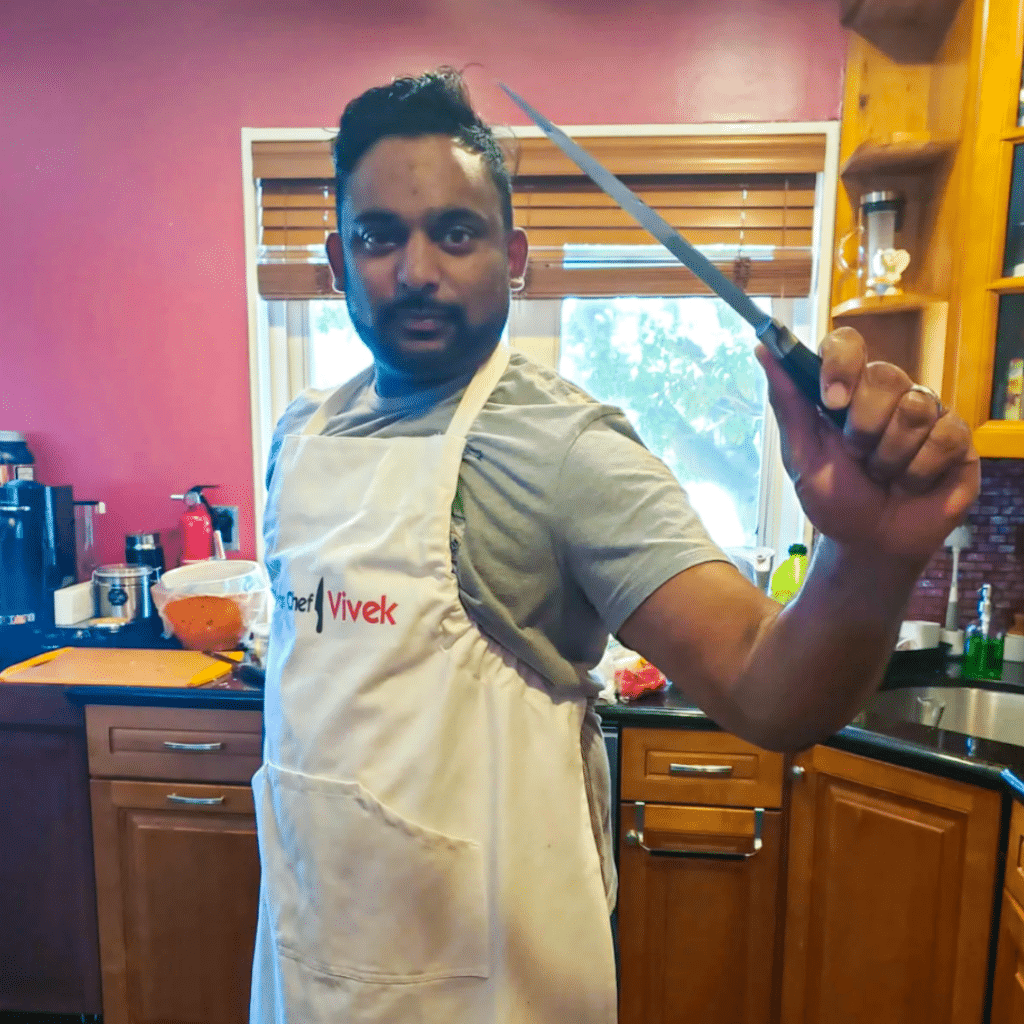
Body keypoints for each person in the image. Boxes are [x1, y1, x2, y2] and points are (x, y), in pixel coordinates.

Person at [249, 69, 979, 1024]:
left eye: (455, 233)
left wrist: (871, 559)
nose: (416, 269)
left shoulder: (565, 450)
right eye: (378, 235)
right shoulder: (300, 438)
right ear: (339, 263)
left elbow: (769, 687)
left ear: (512, 257)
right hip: (309, 974)